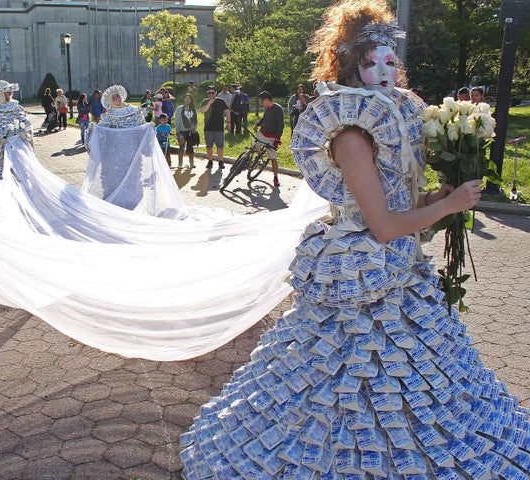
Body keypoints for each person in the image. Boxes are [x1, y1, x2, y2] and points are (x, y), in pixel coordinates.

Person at [180, 1, 528, 478]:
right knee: (349, 376)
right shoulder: (352, 138)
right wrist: (447, 208)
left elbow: (397, 206)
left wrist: (436, 195)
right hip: (363, 273)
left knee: (411, 379)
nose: (383, 71)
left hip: (400, 269)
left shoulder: (388, 124)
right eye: (371, 62)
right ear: (349, 67)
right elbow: (382, 226)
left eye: (390, 61)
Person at [253, 91, 284, 188]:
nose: (261, 103)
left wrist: (277, 138)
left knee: (273, 158)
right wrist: (257, 124)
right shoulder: (267, 108)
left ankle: (275, 178)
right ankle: (248, 160)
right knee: (254, 147)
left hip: (272, 137)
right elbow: (264, 118)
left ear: (266, 100)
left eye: (262, 101)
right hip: (262, 133)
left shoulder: (278, 109)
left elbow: (281, 125)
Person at [198, 85, 230, 170]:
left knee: (220, 146)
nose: (211, 95)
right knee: (209, 146)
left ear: (216, 92)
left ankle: (220, 161)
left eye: (213, 93)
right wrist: (210, 102)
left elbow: (227, 112)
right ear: (207, 94)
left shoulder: (221, 101)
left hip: (219, 127)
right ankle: (210, 161)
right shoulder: (205, 101)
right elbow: (202, 110)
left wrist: (228, 122)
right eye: (209, 93)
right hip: (208, 128)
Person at [174, 93, 198, 169]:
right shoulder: (179, 109)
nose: (187, 100)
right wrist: (177, 132)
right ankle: (180, 163)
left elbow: (195, 120)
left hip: (191, 131)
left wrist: (194, 128)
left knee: (190, 148)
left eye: (189, 99)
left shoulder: (193, 109)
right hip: (182, 131)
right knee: (181, 147)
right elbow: (177, 121)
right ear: (183, 99)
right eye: (186, 98)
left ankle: (191, 163)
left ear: (191, 100)